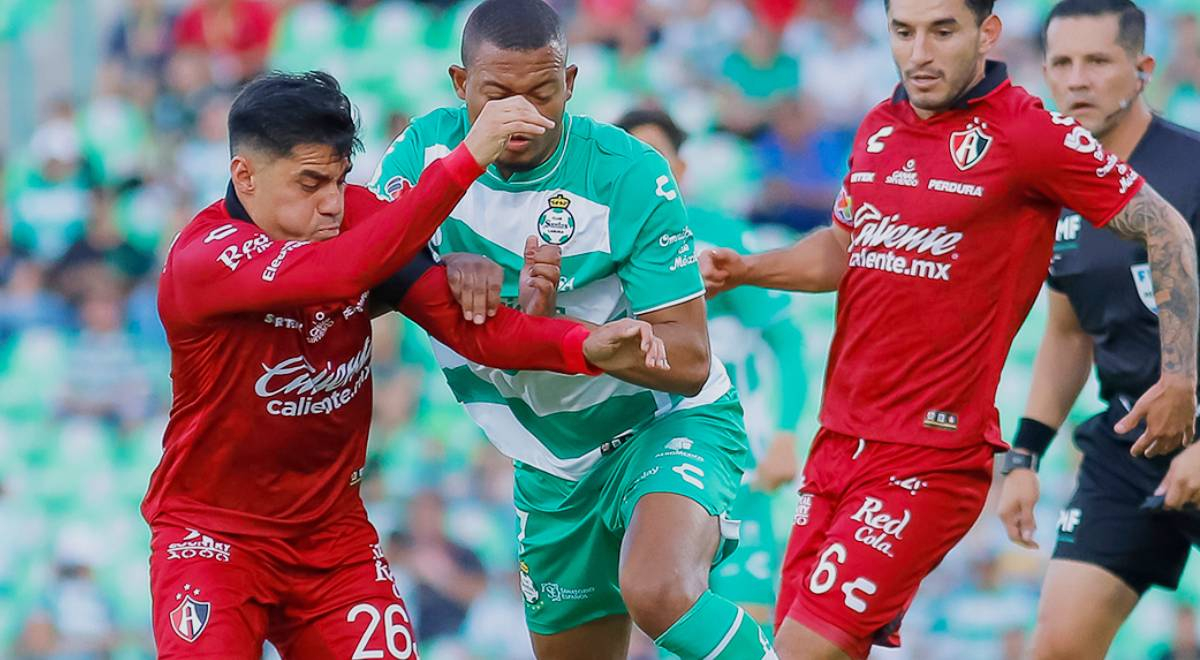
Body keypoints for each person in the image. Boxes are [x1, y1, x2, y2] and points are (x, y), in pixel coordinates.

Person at [698, 0, 1200, 656]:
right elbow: (843, 251)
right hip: (838, 445)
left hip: (927, 458)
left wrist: (1182, 375)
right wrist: (748, 268)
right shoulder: (880, 127)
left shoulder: (1030, 133)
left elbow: (1164, 225)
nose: (919, 52)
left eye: (941, 31)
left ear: (986, 33)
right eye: (903, 32)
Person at [142, 70, 667, 658]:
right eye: (310, 183)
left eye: (341, 180)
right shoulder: (203, 258)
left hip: (331, 540)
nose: (333, 204)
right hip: (214, 539)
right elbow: (343, 271)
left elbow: (472, 330)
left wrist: (582, 345)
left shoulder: (358, 221)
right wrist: (469, 157)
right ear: (245, 175)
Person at [369, 2, 772, 658]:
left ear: (573, 82)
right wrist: (439, 264)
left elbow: (692, 357)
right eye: (497, 95)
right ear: (459, 83)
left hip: (662, 426)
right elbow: (363, 281)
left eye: (543, 92)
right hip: (551, 465)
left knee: (658, 590)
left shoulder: (630, 172)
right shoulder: (428, 152)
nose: (522, 115)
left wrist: (580, 343)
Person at [992, 2, 1200, 658]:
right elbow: (1066, 333)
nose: (1077, 80)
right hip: (1130, 445)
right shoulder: (1054, 189)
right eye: (1062, 63)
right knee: (1056, 647)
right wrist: (1025, 457)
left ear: (1142, 70)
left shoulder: (1192, 171)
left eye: (1098, 61)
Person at [615, 106, 804, 639]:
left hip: (728, 460)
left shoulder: (717, 239)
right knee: (668, 623)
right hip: (639, 462)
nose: (648, 172)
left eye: (660, 159)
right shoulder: (597, 248)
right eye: (635, 158)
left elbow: (786, 341)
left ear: (681, 169)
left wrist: (786, 435)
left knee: (750, 619)